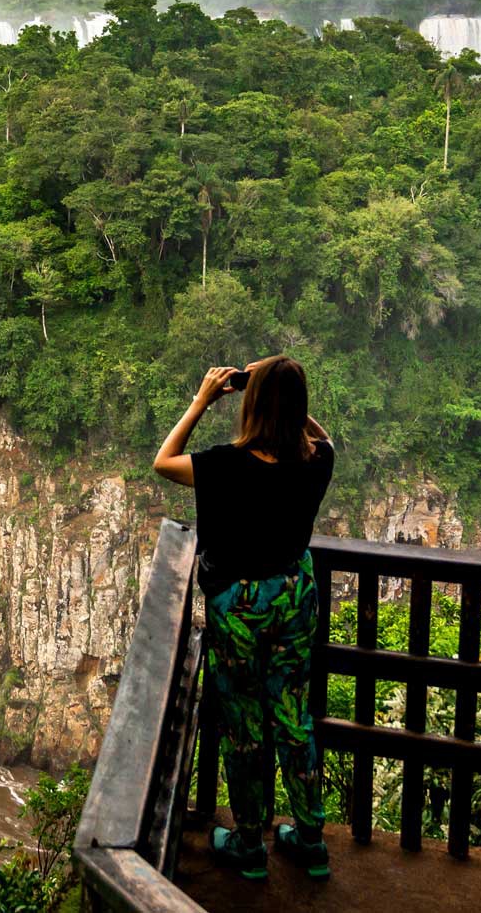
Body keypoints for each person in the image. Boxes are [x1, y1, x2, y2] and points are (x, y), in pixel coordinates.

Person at [153, 356, 333, 883]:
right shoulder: (318, 460)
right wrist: (281, 389)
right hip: (295, 597)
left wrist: (204, 399)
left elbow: (164, 461)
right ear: (298, 409)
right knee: (294, 718)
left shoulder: (225, 466)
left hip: (239, 607)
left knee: (246, 725)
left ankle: (250, 842)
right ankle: (310, 838)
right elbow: (317, 436)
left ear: (251, 404)